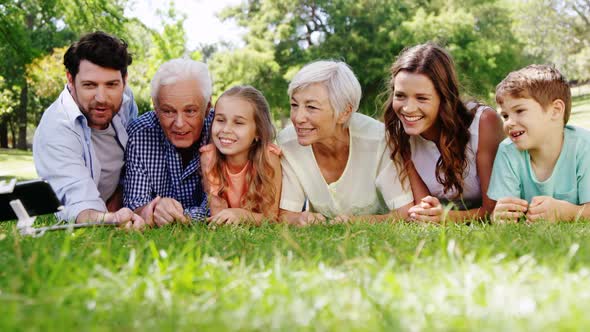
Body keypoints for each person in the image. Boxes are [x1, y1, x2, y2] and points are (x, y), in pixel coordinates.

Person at [278, 60, 413, 225]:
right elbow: (286, 214)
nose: (298, 118)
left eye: (311, 107)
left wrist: (356, 221)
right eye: (294, 105)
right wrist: (300, 218)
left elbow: (404, 213)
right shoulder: (287, 142)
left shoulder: (379, 140)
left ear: (344, 112)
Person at [33, 31, 145, 230]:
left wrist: (122, 200)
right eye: (90, 85)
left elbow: (136, 156)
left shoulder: (125, 100)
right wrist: (113, 218)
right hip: (92, 207)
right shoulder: (56, 129)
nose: (101, 97)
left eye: (111, 84)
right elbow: (80, 204)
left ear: (124, 80)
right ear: (70, 79)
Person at [383, 42, 505, 223]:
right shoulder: (400, 133)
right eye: (400, 95)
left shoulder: (484, 122)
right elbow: (424, 207)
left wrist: (447, 217)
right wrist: (428, 213)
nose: (408, 109)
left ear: (444, 98)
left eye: (422, 98)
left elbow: (494, 209)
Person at [488, 64, 590, 223]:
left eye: (520, 111)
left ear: (555, 110)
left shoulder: (584, 146)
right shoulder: (508, 151)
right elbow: (503, 210)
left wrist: (567, 212)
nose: (509, 123)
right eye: (505, 116)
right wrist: (499, 216)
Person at [124, 58, 214, 227]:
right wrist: (153, 209)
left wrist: (183, 217)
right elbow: (135, 205)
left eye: (190, 111)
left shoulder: (221, 132)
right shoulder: (140, 134)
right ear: (155, 107)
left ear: (207, 107)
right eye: (168, 111)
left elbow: (224, 205)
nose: (179, 123)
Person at [199, 85, 282, 225]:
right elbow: (218, 214)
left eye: (238, 123)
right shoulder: (208, 157)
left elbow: (272, 217)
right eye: (220, 120)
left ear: (258, 132)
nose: (226, 129)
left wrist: (241, 215)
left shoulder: (268, 158)